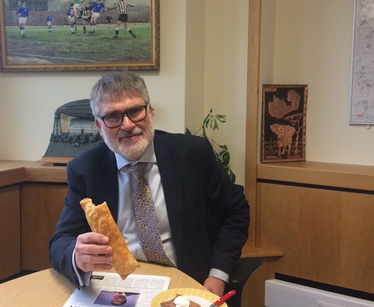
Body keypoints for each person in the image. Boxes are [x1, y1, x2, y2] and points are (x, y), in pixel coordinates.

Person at [49, 72, 250, 297]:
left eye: (135, 111)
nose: (127, 125)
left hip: (184, 280)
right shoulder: (85, 169)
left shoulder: (193, 155)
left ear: (150, 112)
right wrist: (76, 255)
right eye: (113, 117)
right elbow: (60, 242)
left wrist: (217, 275)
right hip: (116, 287)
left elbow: (236, 213)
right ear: (99, 125)